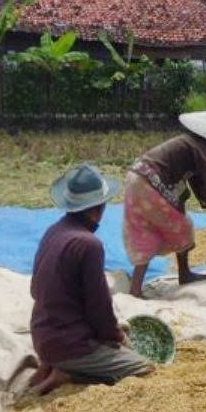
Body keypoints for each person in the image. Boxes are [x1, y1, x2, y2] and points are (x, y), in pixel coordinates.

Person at [30, 164, 153, 395]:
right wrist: (116, 337)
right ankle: (68, 374)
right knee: (144, 368)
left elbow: (36, 289)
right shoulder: (88, 244)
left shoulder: (54, 231)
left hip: (42, 333)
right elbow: (99, 308)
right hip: (69, 344)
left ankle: (54, 362)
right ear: (99, 208)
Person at [124, 107, 206, 298]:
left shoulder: (190, 143)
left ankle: (141, 287)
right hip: (150, 184)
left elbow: (199, 183)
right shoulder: (200, 148)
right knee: (181, 226)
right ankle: (177, 276)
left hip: (136, 178)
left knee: (148, 230)